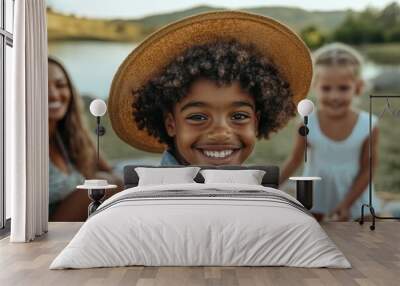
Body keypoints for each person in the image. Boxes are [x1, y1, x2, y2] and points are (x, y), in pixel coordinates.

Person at [108, 11, 313, 166]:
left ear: (257, 122)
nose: (221, 131)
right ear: (170, 123)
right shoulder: (151, 205)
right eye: (198, 117)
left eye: (239, 116)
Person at [280, 43, 381, 221]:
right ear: (315, 87)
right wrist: (269, 189)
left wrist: (346, 204)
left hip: (355, 197)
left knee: (362, 238)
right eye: (326, 88)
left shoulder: (369, 125)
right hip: (317, 194)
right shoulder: (306, 122)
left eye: (343, 88)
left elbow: (368, 169)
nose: (334, 96)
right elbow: (295, 160)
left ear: (357, 87)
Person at [48, 57, 121, 221]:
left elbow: (109, 172)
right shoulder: (22, 144)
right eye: (42, 87)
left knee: (112, 179)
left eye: (60, 85)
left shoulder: (68, 136)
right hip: (50, 232)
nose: (53, 95)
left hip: (79, 228)